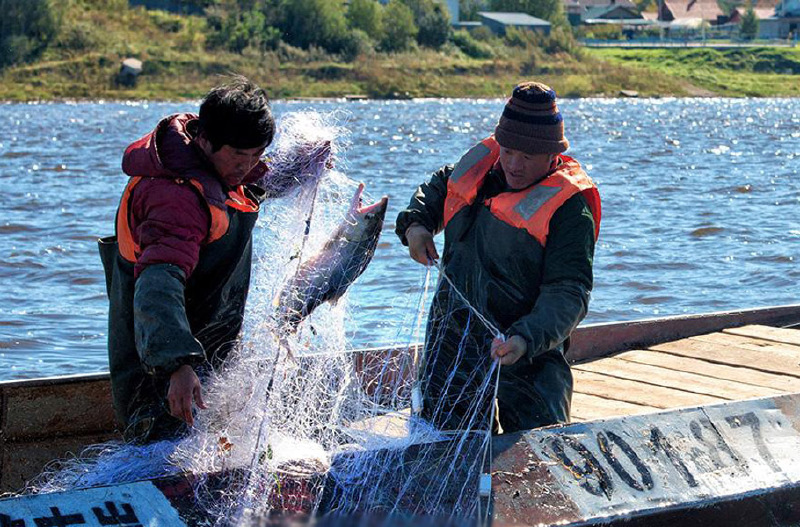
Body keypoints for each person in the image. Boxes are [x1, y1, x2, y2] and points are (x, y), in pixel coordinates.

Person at [395, 82, 601, 433]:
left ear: (553, 154)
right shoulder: (480, 166)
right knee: (441, 442)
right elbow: (439, 186)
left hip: (527, 348)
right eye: (508, 152)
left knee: (539, 449)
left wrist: (525, 338)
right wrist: (416, 225)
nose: (514, 165)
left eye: (528, 157)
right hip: (454, 336)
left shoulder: (570, 207)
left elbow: (569, 293)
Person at [99, 76, 276, 442]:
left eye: (256, 155)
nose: (247, 166)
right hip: (158, 368)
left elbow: (248, 182)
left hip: (201, 349)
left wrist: (298, 168)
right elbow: (157, 284)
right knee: (159, 446)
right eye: (238, 156)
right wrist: (176, 364)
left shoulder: (214, 167)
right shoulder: (175, 197)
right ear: (204, 140)